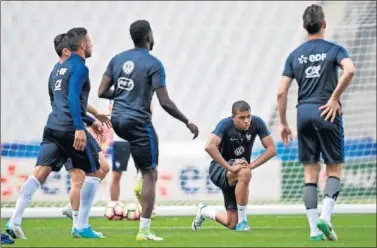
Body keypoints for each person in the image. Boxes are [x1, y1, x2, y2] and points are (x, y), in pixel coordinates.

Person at [98, 20, 199, 241]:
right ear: (149, 36)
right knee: (151, 173)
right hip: (138, 122)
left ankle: (139, 179)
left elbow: (102, 91)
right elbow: (165, 102)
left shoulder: (117, 59)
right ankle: (144, 230)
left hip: (117, 122)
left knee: (141, 160)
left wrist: (125, 93)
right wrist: (187, 121)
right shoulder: (154, 63)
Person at [5, 32, 106, 239]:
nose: (92, 44)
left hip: (52, 126)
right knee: (95, 172)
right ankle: (81, 225)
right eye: (89, 41)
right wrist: (80, 127)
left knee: (39, 173)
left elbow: (57, 103)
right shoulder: (79, 67)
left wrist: (91, 120)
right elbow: (72, 99)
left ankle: (14, 219)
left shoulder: (56, 71)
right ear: (79, 45)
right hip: (70, 128)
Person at [277, 4, 355, 241]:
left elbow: (281, 92)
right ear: (324, 24)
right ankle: (326, 217)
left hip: (303, 114)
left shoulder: (295, 55)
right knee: (334, 169)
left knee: (310, 174)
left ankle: (313, 230)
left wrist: (283, 123)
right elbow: (350, 70)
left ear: (304, 26)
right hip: (327, 111)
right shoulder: (334, 49)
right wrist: (334, 98)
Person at [191, 101, 276, 232]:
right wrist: (230, 168)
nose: (246, 121)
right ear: (233, 118)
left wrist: (251, 165)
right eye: (242, 118)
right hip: (219, 170)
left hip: (238, 172)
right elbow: (209, 146)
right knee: (245, 172)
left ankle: (204, 210)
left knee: (231, 223)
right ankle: (243, 222)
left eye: (248, 116)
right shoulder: (225, 124)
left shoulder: (257, 122)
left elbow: (271, 149)